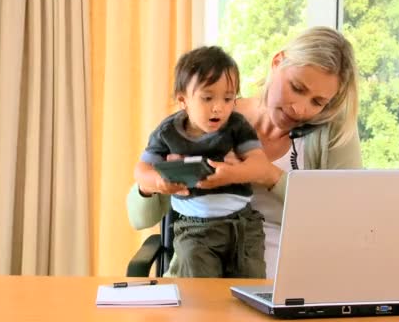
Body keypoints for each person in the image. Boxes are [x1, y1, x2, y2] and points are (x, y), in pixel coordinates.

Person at [128, 26, 362, 278]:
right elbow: (138, 218)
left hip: (293, 289)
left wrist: (269, 175)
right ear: (277, 62)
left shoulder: (332, 136)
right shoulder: (205, 118)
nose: (300, 108)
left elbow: (346, 222)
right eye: (297, 87)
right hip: (201, 273)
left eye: (318, 102)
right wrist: (156, 183)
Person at [133, 46, 269, 278]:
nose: (219, 107)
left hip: (244, 226)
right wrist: (159, 183)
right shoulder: (167, 132)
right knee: (200, 291)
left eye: (228, 98)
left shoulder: (236, 126)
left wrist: (232, 174)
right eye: (207, 98)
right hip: (195, 229)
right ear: (183, 100)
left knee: (250, 293)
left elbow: (258, 163)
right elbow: (141, 170)